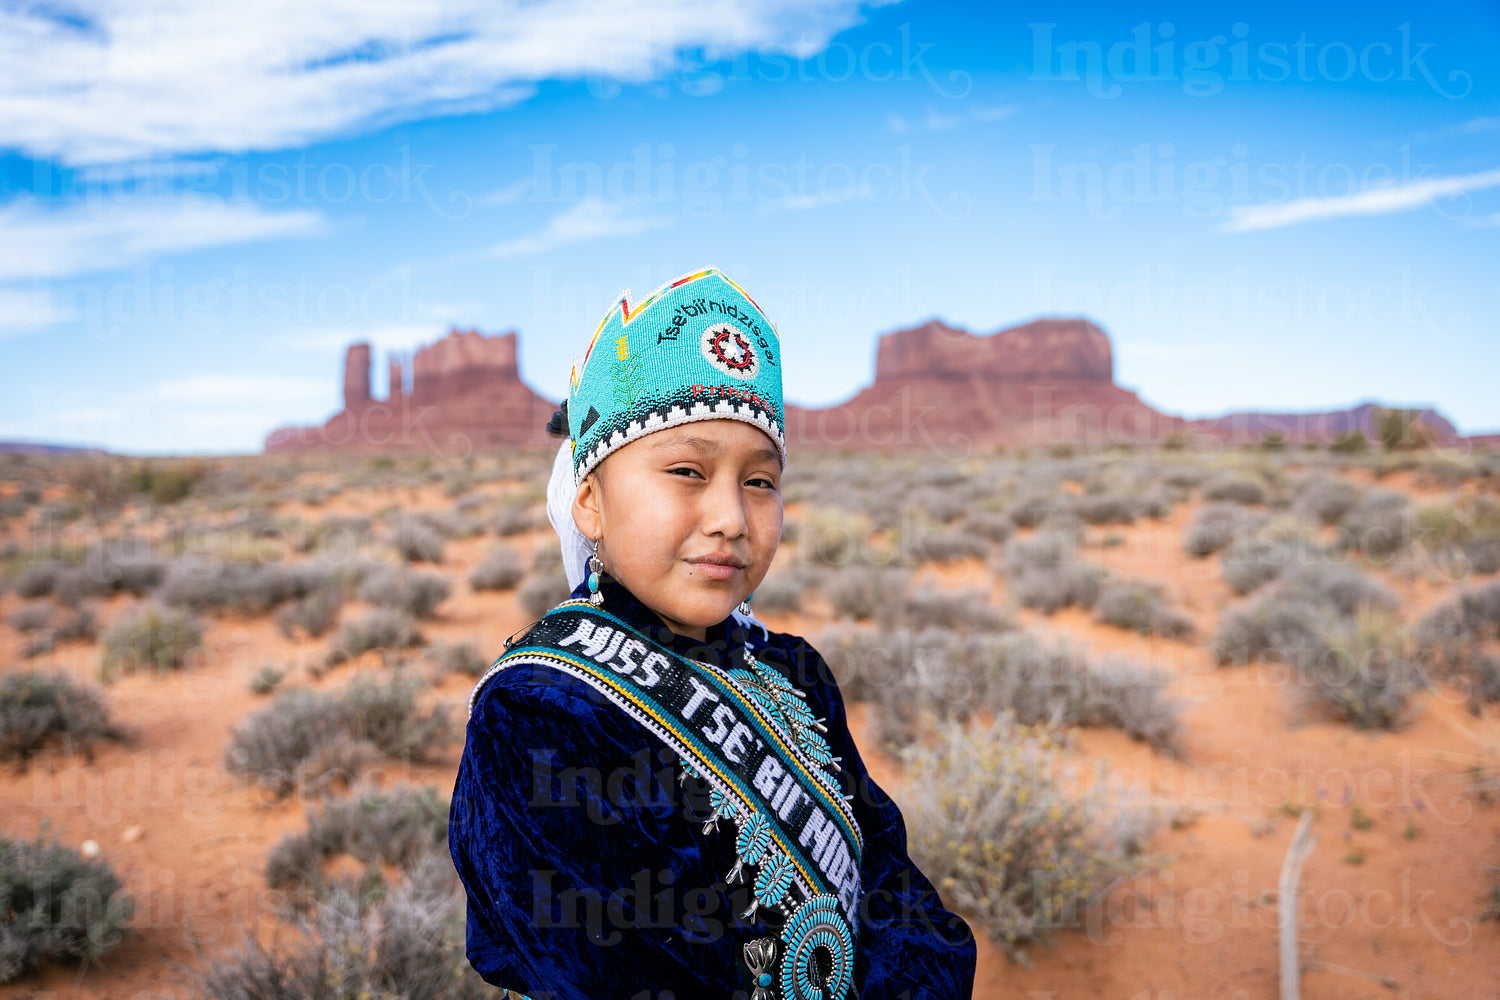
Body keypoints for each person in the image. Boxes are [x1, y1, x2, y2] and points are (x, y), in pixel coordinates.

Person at [448, 267, 976, 999]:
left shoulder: (792, 672)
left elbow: (894, 886)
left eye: (760, 481)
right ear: (590, 503)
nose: (731, 517)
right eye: (688, 470)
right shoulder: (540, 714)